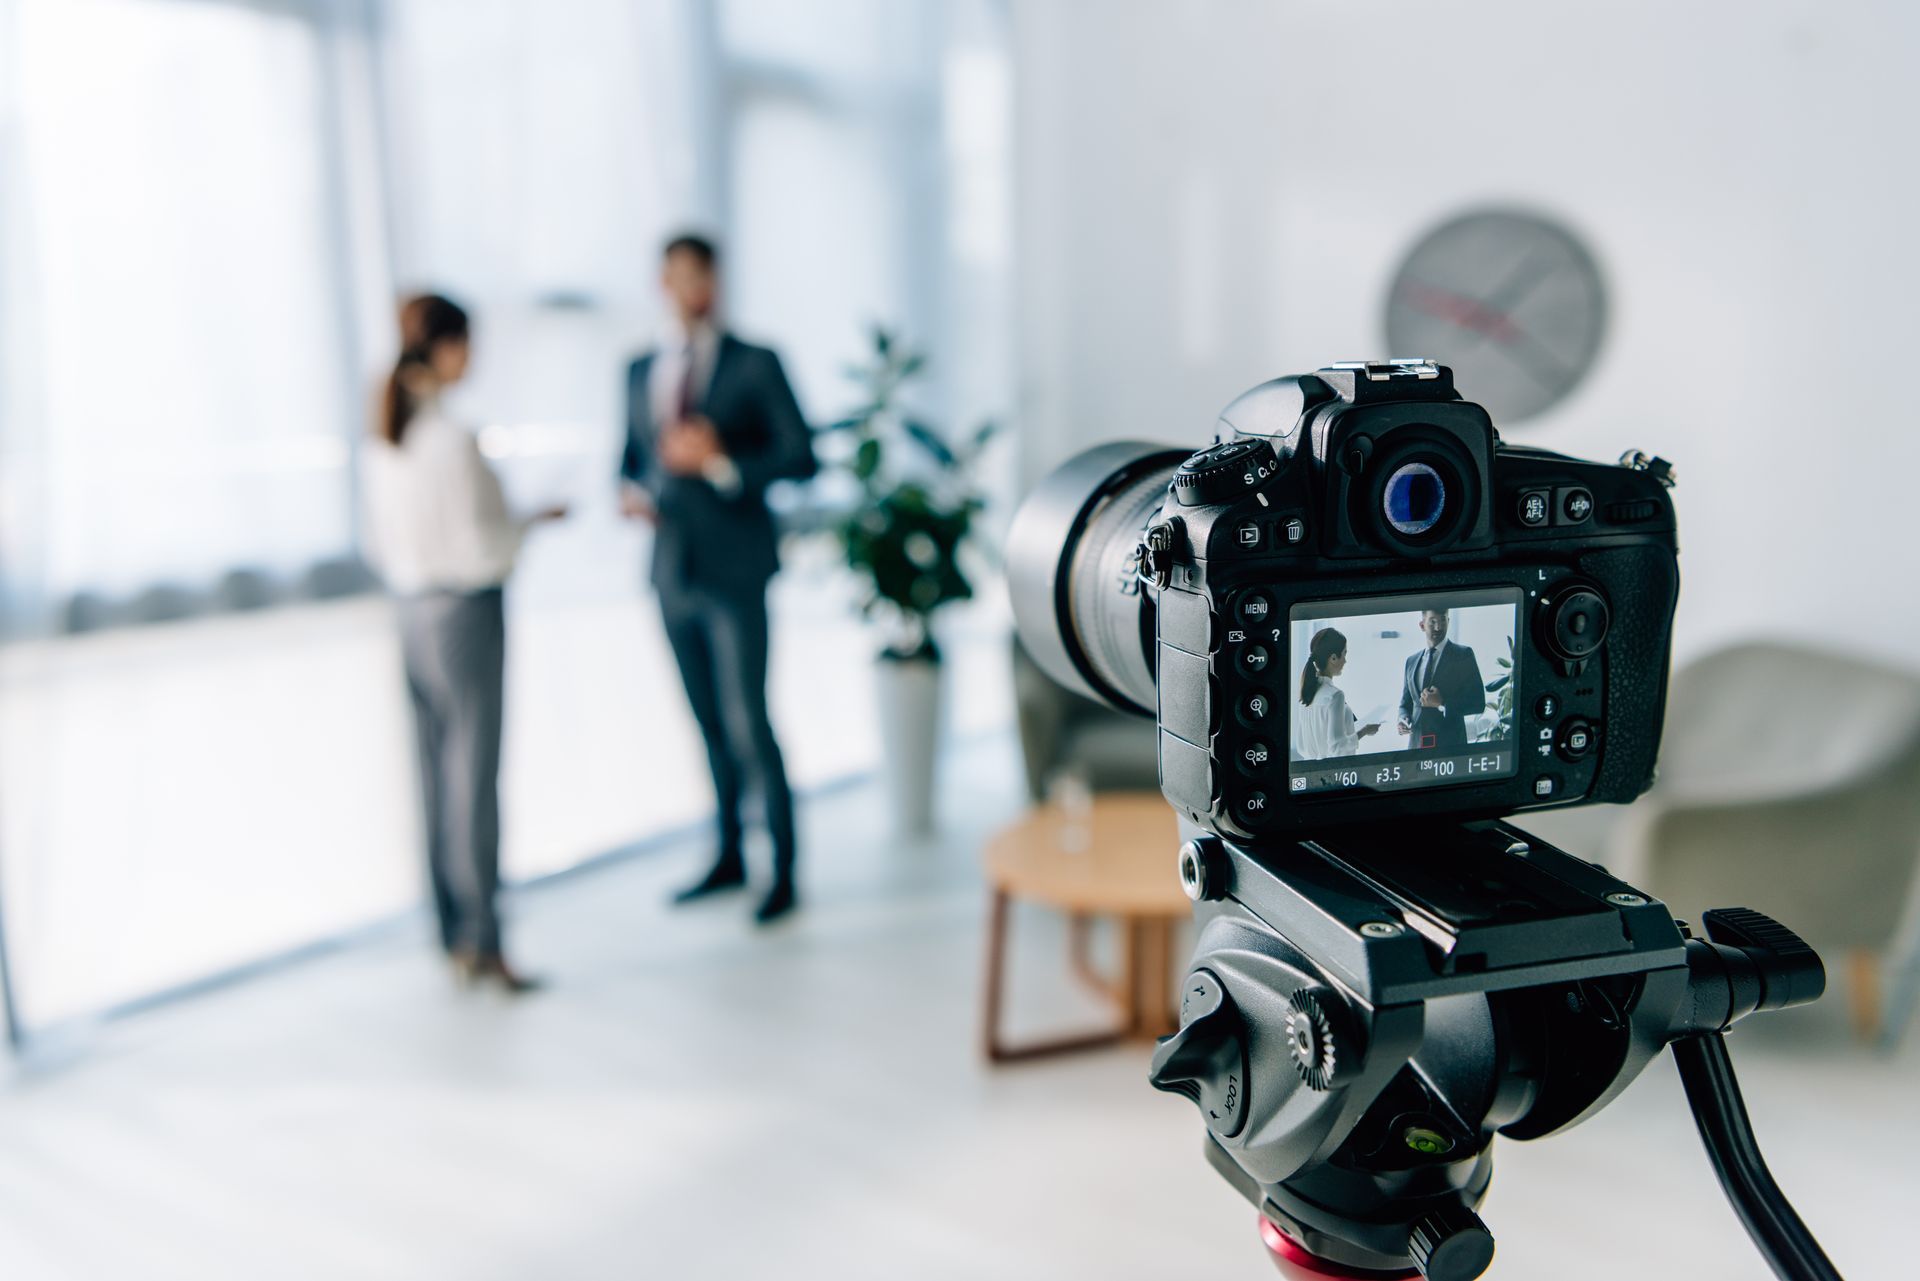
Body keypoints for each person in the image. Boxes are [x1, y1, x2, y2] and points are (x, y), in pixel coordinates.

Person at [364, 293, 564, 992]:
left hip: (411, 612)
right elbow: (484, 545)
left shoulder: (391, 429)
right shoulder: (449, 437)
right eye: (468, 343)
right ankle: (487, 941)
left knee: (434, 777)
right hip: (465, 612)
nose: (473, 359)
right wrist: (530, 522)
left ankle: (454, 934)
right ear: (445, 347)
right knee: (473, 782)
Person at [619, 233, 818, 926]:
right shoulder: (638, 366)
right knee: (705, 722)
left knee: (748, 721)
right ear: (661, 282)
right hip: (670, 570)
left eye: (701, 276)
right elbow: (631, 456)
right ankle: (729, 852)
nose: (691, 289)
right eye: (677, 277)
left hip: (737, 568)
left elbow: (802, 457)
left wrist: (722, 461)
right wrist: (634, 490)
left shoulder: (756, 362)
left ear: (717, 282)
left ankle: (784, 868)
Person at [1396, 606, 1486, 753]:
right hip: (1416, 748)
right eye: (1432, 622)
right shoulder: (1411, 661)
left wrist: (1442, 703)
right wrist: (1402, 719)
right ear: (1422, 625)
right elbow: (1405, 704)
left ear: (1448, 621)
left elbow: (1478, 703)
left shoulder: (1463, 654)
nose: (1438, 627)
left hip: (1451, 748)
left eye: (1442, 621)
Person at [1292, 627, 1381, 761]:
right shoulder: (1335, 696)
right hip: (1336, 774)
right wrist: (1365, 731)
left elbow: (1301, 746)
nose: (1345, 661)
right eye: (1344, 654)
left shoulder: (1305, 695)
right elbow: (1338, 746)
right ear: (1333, 658)